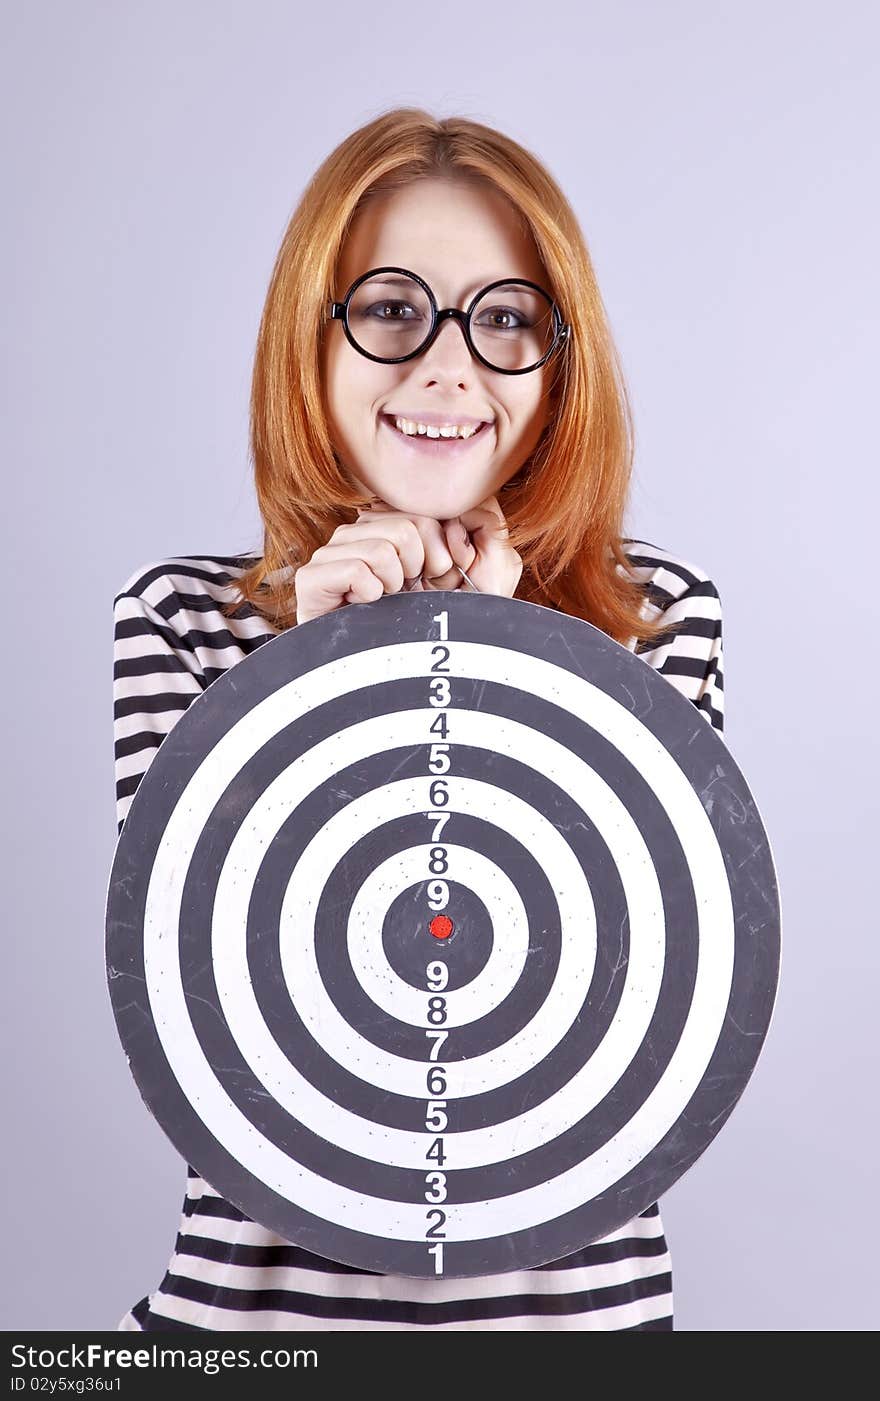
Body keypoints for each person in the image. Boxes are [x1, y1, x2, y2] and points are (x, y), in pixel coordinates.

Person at [112, 108, 724, 1331]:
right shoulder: (182, 624)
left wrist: (496, 662)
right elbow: (228, 1033)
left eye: (503, 319)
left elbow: (602, 1017)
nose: (448, 367)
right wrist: (320, 666)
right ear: (313, 340)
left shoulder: (657, 626)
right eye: (393, 308)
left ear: (558, 363)